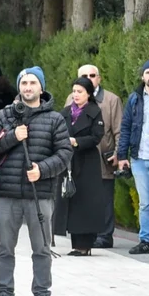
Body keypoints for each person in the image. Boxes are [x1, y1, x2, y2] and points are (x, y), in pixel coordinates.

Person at [0, 66, 72, 296]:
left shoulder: (55, 119)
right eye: (24, 83)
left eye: (33, 83)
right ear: (19, 87)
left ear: (41, 87)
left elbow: (64, 153)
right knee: (5, 248)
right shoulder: (4, 115)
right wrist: (12, 136)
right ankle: (3, 295)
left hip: (39, 194)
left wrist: (42, 170)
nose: (28, 87)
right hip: (7, 194)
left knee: (41, 248)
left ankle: (42, 295)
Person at [117, 60, 149, 255]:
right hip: (139, 157)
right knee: (145, 203)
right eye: (148, 72)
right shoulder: (134, 99)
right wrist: (122, 155)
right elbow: (125, 127)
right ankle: (145, 240)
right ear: (142, 76)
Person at [57, 77, 106, 255]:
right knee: (71, 199)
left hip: (87, 162)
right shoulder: (65, 113)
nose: (76, 95)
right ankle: (75, 242)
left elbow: (97, 136)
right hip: (69, 161)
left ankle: (85, 244)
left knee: (86, 201)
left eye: (80, 92)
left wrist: (77, 141)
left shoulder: (94, 111)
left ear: (88, 94)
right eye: (74, 91)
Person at [77, 64, 123, 249]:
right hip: (80, 157)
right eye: (84, 75)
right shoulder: (71, 99)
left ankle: (105, 236)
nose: (89, 78)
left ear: (99, 78)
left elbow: (120, 129)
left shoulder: (112, 100)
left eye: (92, 75)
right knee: (84, 198)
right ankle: (85, 234)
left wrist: (119, 153)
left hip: (103, 158)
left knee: (104, 199)